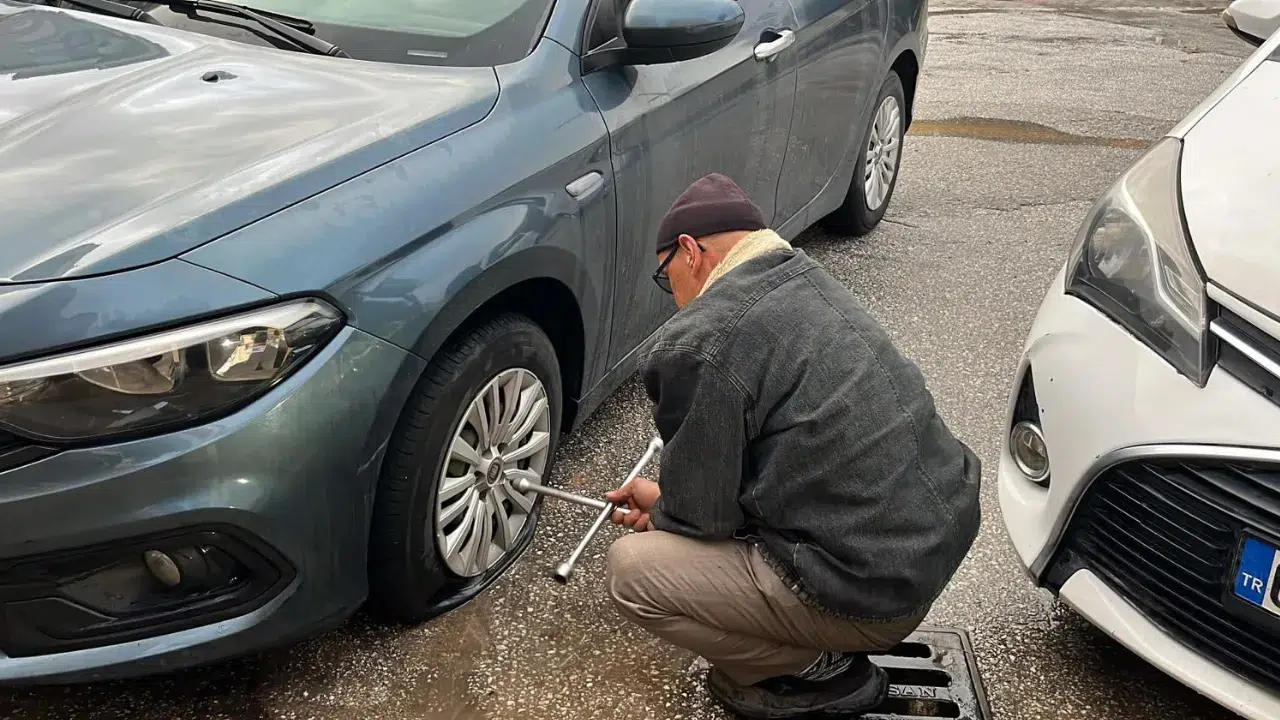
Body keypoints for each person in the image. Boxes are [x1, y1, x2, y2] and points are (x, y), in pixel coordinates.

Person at [602, 173, 982, 719]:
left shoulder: (702, 339)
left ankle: (813, 671)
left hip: (870, 590)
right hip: (924, 551)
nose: (674, 298)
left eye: (667, 279)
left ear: (689, 252)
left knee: (633, 572)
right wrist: (667, 500)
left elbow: (701, 519)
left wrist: (666, 512)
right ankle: (823, 639)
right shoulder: (805, 281)